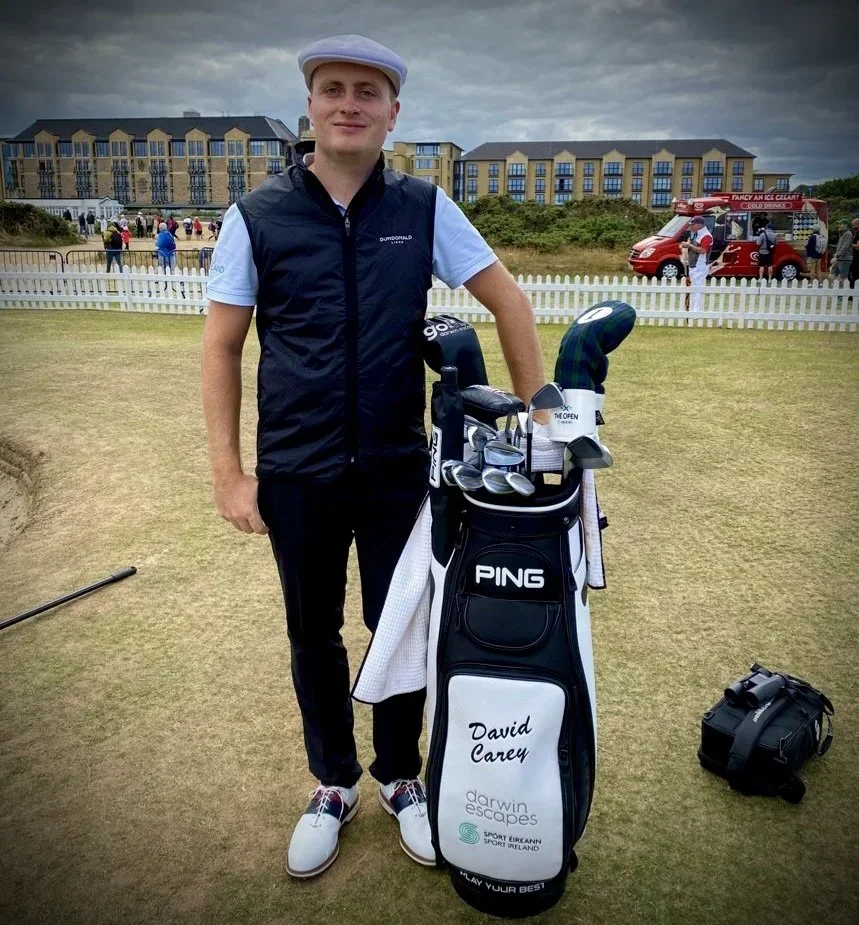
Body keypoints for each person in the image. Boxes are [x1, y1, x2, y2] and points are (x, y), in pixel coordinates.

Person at [201, 34, 547, 881]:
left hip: (397, 469)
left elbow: (509, 301)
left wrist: (539, 422)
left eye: (367, 92)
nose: (348, 104)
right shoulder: (256, 215)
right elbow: (222, 347)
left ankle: (399, 775)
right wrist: (229, 473)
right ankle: (332, 782)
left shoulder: (424, 207)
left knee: (401, 631)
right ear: (310, 105)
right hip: (297, 472)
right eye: (333, 88)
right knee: (311, 632)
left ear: (393, 113)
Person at [679, 215, 712, 311]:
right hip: (694, 265)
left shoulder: (706, 236)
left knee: (698, 289)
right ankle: (693, 309)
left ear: (698, 225)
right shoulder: (697, 234)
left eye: (692, 225)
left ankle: (697, 311)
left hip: (700, 265)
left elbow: (703, 250)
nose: (690, 227)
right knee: (694, 288)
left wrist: (689, 246)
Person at [850, 217, 859, 289]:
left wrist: (849, 245)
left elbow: (858, 246)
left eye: (854, 225)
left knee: (856, 273)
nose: (852, 227)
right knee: (853, 273)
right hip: (854, 257)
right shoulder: (855, 233)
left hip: (857, 258)